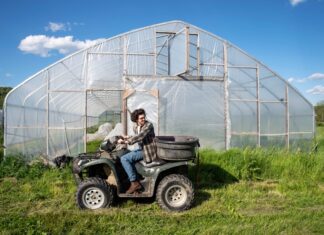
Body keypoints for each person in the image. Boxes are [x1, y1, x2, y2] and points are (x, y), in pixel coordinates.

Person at [118, 108, 158, 194]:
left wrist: (125, 141)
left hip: (148, 151)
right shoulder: (136, 126)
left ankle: (134, 182)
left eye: (143, 117)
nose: (143, 119)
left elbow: (140, 136)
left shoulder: (148, 125)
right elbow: (136, 135)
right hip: (142, 148)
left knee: (124, 159)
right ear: (136, 119)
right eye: (141, 118)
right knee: (127, 154)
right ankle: (134, 178)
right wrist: (127, 137)